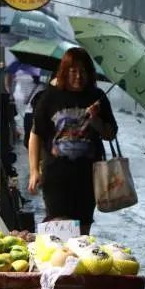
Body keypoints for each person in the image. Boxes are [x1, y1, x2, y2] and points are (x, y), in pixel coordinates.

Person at [27, 47, 118, 235]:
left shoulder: (97, 97)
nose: (78, 76)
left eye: (83, 71)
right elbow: (35, 135)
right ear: (64, 72)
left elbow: (110, 134)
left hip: (88, 177)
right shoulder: (50, 97)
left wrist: (95, 119)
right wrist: (34, 171)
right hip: (56, 176)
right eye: (73, 71)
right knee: (59, 229)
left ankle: (80, 264)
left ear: (89, 73)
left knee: (83, 230)